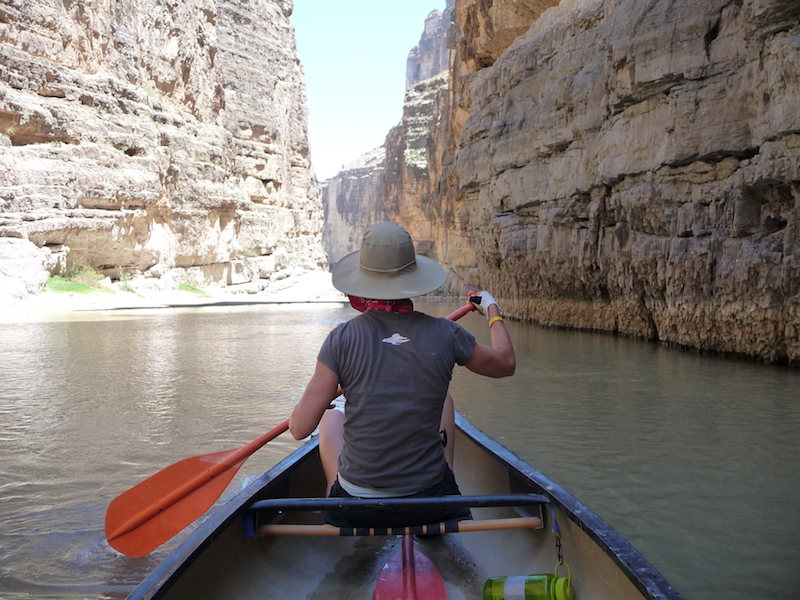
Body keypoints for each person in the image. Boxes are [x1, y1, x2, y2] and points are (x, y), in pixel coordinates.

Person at [289, 222, 515, 527]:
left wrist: (317, 399)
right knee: (445, 401)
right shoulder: (446, 333)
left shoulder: (341, 339)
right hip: (429, 502)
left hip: (358, 508)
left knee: (331, 416)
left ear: (362, 281)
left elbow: (299, 428)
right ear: (413, 278)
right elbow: (506, 363)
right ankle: (446, 490)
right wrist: (492, 310)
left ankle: (337, 498)